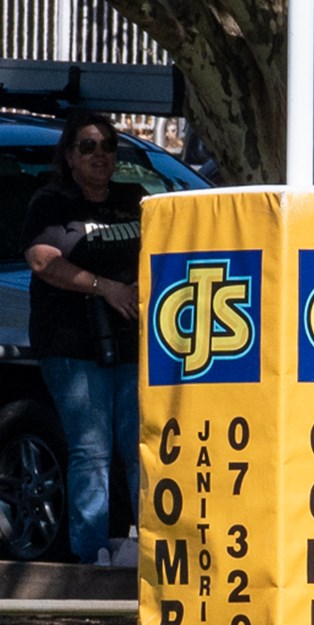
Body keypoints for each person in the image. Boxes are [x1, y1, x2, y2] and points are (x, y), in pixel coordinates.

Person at [20, 111, 142, 566]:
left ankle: (150, 547)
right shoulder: (51, 202)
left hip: (132, 342)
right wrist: (104, 287)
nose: (99, 155)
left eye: (108, 146)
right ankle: (92, 557)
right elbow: (42, 261)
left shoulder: (134, 198)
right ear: (70, 156)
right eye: (87, 146)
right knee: (91, 450)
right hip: (72, 345)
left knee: (141, 447)